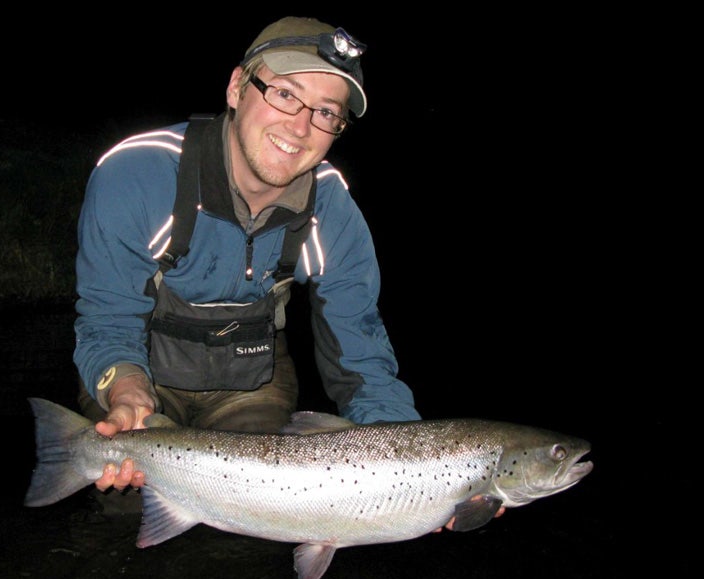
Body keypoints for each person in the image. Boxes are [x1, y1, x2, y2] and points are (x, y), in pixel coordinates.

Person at [71, 17, 501, 529]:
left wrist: (420, 477)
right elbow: (108, 321)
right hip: (143, 364)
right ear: (236, 87)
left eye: (326, 112)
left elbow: (361, 358)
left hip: (252, 379)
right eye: (284, 94)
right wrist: (127, 390)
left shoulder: (333, 213)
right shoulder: (138, 175)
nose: (300, 127)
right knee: (121, 505)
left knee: (258, 525)